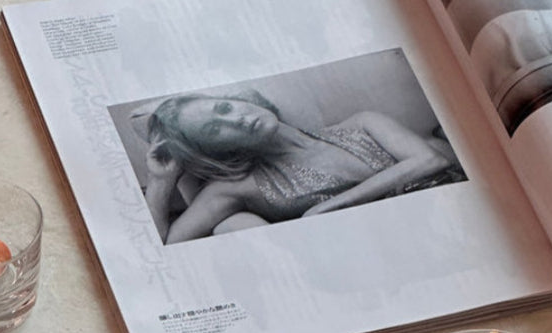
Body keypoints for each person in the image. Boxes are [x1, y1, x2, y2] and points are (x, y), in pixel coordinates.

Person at [140, 89, 463, 245]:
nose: (235, 119)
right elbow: (168, 246)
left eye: (224, 108)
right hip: (379, 247)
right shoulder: (233, 188)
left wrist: (329, 207)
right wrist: (160, 182)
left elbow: (432, 160)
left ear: (242, 99)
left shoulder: (363, 123)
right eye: (213, 129)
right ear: (213, 149)